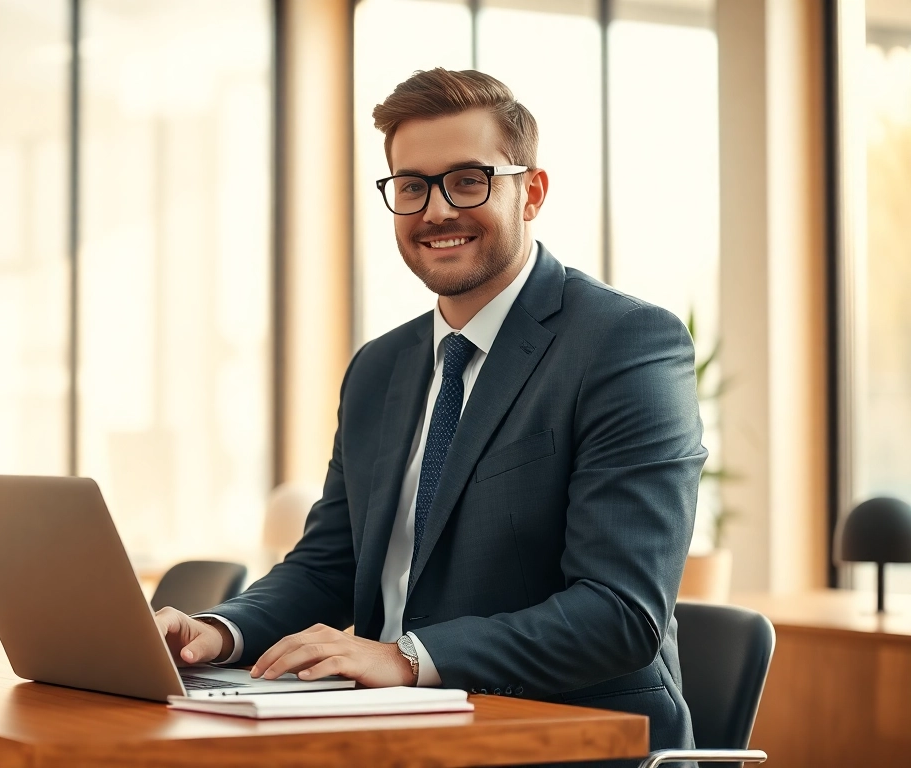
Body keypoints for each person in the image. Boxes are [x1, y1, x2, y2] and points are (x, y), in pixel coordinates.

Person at [155, 68, 704, 763]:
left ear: (532, 192)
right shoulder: (379, 368)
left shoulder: (624, 344)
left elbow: (620, 612)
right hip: (387, 734)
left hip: (562, 739)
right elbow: (328, 566)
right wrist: (218, 632)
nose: (437, 211)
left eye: (468, 181)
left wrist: (407, 657)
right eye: (412, 186)